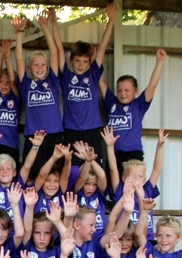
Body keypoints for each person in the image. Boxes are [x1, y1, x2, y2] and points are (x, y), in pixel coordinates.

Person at [60, 3, 116, 169]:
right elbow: (57, 50)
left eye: (85, 61)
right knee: (72, 170)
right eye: (77, 60)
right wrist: (54, 24)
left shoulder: (92, 75)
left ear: (90, 62)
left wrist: (111, 20)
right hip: (71, 129)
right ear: (71, 60)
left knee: (95, 169)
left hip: (93, 129)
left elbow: (102, 47)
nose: (81, 64)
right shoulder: (66, 76)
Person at [13, 10, 64, 178]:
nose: (40, 67)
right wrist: (19, 34)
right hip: (34, 136)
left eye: (43, 64)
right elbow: (19, 59)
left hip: (54, 134)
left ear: (47, 67)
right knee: (35, 175)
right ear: (29, 68)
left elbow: (54, 53)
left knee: (54, 174)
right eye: (36, 65)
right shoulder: (26, 85)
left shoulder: (52, 81)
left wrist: (45, 28)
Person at [99, 48, 167, 167]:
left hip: (133, 154)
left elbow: (152, 85)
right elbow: (99, 80)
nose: (123, 93)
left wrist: (159, 62)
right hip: (114, 154)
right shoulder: (111, 103)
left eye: (127, 90)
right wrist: (94, 59)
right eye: (119, 90)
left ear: (135, 90)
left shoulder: (138, 105)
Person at [0, 39, 21, 162]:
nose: (4, 85)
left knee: (9, 172)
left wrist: (8, 59)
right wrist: (1, 53)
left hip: (11, 144)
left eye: (7, 83)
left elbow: (13, 79)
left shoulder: (16, 98)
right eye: (2, 81)